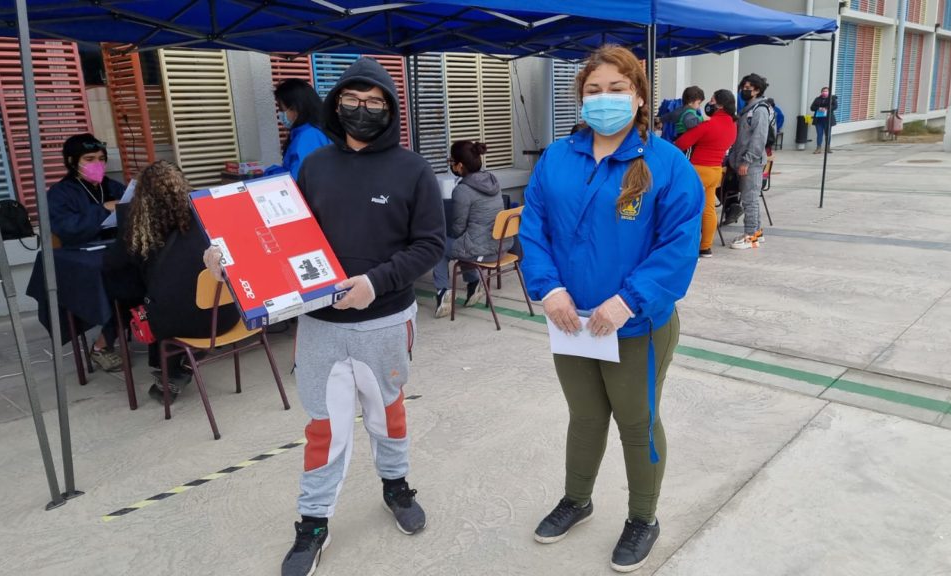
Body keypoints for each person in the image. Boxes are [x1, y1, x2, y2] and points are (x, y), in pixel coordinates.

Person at [206, 57, 444, 576]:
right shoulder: (314, 166)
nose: (362, 109)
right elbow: (281, 238)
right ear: (336, 105)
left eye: (375, 102)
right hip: (320, 326)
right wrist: (228, 257)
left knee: (388, 414)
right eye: (352, 100)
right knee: (324, 427)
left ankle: (396, 486)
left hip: (386, 320)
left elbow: (430, 244)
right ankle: (314, 521)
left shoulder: (413, 170)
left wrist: (374, 283)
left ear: (391, 109)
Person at [519, 45, 702, 573]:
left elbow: (678, 244)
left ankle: (643, 517)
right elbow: (534, 228)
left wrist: (628, 300)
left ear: (639, 96)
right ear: (581, 99)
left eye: (617, 89)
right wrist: (548, 289)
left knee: (637, 424)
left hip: (635, 326)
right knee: (584, 417)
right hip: (571, 323)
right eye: (594, 90)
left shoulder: (667, 164)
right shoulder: (558, 158)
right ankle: (577, 500)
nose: (604, 99)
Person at [103, 161, 239, 402]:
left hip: (179, 324)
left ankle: (174, 371)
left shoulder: (140, 231)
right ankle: (182, 366)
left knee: (160, 303)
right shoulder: (208, 218)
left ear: (142, 197)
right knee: (178, 297)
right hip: (228, 316)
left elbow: (112, 265)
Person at [48, 133, 127, 372]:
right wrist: (103, 210)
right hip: (79, 257)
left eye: (101, 159)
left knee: (154, 269)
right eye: (89, 159)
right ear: (72, 161)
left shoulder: (112, 186)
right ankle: (102, 345)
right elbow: (67, 229)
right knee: (119, 281)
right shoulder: (60, 193)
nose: (97, 164)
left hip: (115, 249)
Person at [433, 140, 508, 318]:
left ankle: (443, 292)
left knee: (439, 246)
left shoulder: (462, 190)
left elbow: (459, 228)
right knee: (465, 243)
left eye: (451, 161)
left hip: (484, 252)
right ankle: (473, 284)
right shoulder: (492, 181)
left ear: (460, 166)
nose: (450, 165)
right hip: (501, 248)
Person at [674, 89, 739, 259]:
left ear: (720, 105)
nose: (709, 104)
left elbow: (681, 143)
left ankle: (686, 245)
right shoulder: (733, 126)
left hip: (698, 171)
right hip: (715, 171)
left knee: (688, 209)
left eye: (712, 100)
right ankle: (705, 247)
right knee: (709, 209)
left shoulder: (708, 124)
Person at [728, 73, 771, 250]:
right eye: (743, 88)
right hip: (745, 160)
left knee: (749, 199)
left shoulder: (759, 110)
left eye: (747, 88)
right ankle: (757, 233)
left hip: (751, 162)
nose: (744, 91)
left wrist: (746, 161)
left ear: (757, 90)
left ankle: (750, 237)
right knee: (751, 198)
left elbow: (758, 139)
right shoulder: (748, 109)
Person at [265, 78, 331, 180]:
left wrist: (271, 173)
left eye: (281, 108)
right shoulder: (317, 129)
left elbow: (299, 179)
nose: (279, 114)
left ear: (295, 108)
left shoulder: (308, 136)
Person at [810, 86, 837, 154]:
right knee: (819, 134)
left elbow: (835, 106)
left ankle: (828, 148)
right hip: (819, 120)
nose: (824, 92)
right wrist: (818, 108)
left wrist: (826, 108)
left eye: (826, 91)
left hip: (827, 120)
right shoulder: (817, 99)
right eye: (823, 91)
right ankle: (818, 148)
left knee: (828, 134)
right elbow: (812, 107)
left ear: (829, 92)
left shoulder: (832, 98)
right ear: (821, 92)